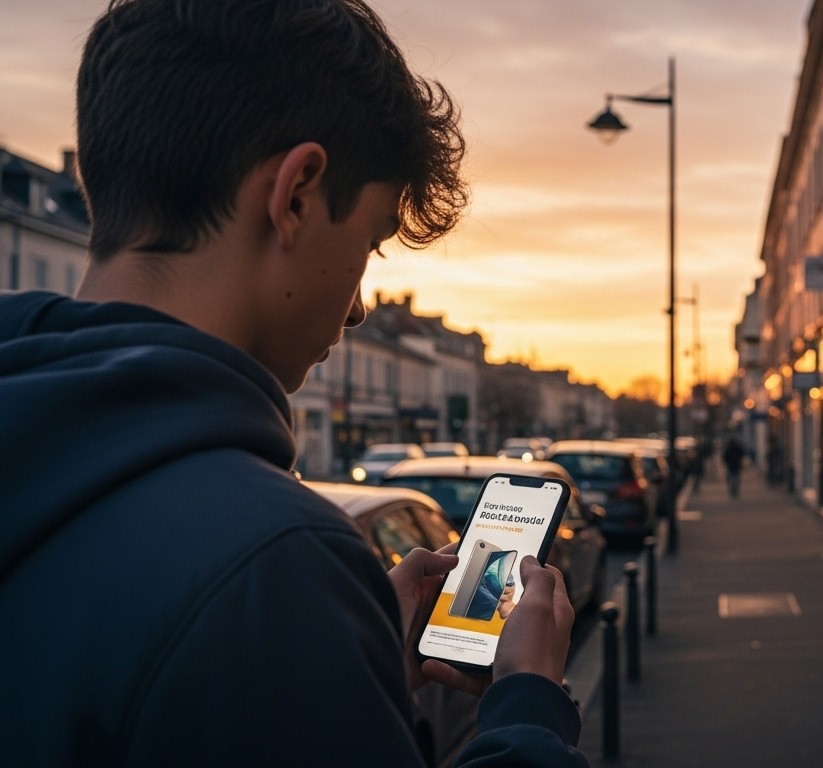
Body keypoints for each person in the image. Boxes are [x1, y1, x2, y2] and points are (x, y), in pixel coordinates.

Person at [0, 1, 586, 766]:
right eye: (371, 242)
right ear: (298, 194)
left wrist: (349, 675)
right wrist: (529, 711)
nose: (357, 307)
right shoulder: (273, 564)